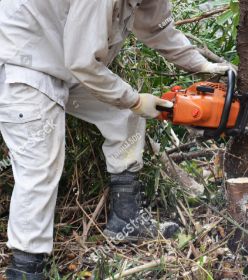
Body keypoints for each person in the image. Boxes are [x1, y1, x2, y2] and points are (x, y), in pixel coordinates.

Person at [0, 0, 233, 279]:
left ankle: (127, 217)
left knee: (124, 116)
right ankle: (26, 267)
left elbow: (157, 28)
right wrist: (134, 100)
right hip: (22, 64)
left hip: (65, 63)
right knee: (40, 163)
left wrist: (202, 65)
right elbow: (83, 61)